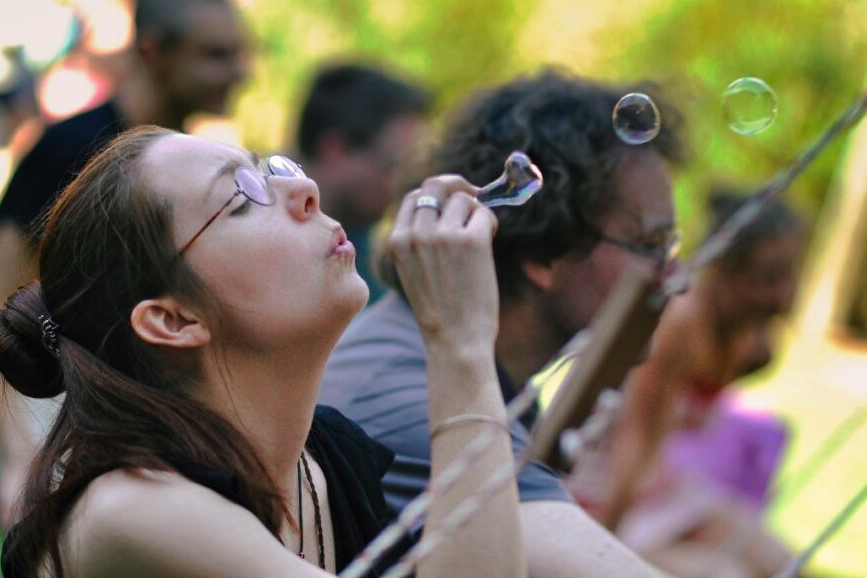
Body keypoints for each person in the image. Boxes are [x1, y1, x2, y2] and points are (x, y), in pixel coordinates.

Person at [0, 126, 525, 577]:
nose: (306, 192)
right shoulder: (134, 509)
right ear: (173, 319)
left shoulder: (332, 461)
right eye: (244, 198)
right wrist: (461, 342)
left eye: (270, 171)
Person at [319, 70, 686, 576]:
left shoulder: (460, 372)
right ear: (544, 254)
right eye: (651, 247)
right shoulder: (423, 398)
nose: (678, 280)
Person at [0, 0, 249, 529]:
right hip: (11, 403)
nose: (240, 71)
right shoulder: (80, 149)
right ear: (152, 52)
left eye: (240, 53)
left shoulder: (177, 160)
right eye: (215, 55)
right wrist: (21, 459)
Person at [569, 192, 803, 577]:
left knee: (785, 564)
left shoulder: (744, 336)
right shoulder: (680, 323)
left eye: (790, 275)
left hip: (663, 483)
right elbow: (636, 440)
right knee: (727, 574)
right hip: (606, 493)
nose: (783, 295)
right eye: (768, 279)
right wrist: (600, 552)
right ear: (725, 269)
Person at [295, 63, 430, 303]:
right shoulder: (253, 243)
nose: (407, 188)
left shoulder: (358, 248)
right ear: (334, 151)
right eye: (394, 168)